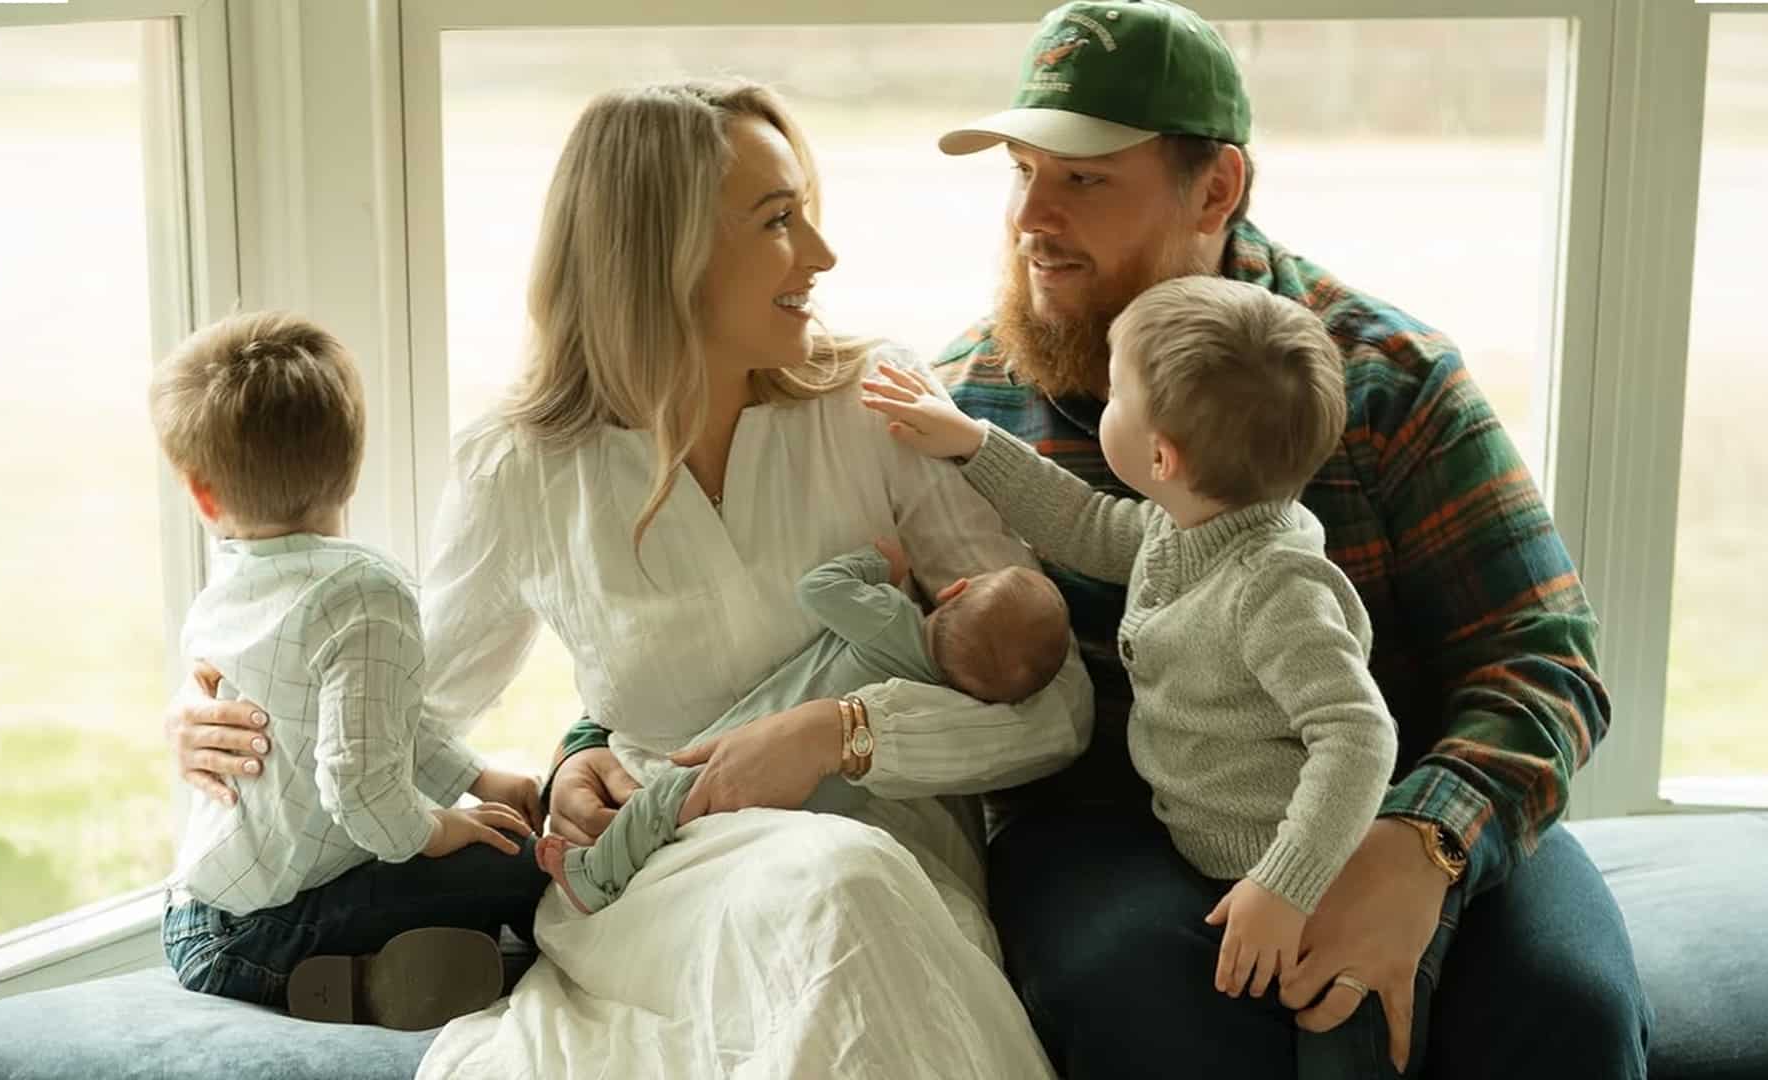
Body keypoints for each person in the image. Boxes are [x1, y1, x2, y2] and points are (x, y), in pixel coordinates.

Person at [166, 79, 1091, 1079]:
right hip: (660, 879)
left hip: (891, 874)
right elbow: (391, 702)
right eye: (780, 223)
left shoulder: (872, 405)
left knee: (844, 875)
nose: (822, 257)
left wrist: (847, 735)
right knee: (832, 887)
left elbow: (1055, 711)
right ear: (664, 253)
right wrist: (223, 712)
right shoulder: (520, 466)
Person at [917, 3, 1652, 1079]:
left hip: (1387, 788)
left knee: (1563, 1019)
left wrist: (1422, 845)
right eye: (1021, 171)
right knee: (1153, 1015)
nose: (1031, 215)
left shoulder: (1389, 380)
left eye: (1082, 178)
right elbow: (788, 596)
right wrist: (605, 741)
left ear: (1216, 188)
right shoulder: (974, 401)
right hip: (1117, 822)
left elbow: (1544, 662)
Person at [869, 275, 1429, 1075]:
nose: (1102, 402)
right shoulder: (1190, 526)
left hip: (1303, 876)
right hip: (1215, 855)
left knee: (1341, 1036)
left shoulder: (1275, 586)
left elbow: (1358, 734)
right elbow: (1085, 524)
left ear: (1162, 456)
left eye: (1115, 394)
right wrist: (969, 441)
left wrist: (1286, 884)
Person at [149, 312, 549, 1029]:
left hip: (196, 916)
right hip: (267, 934)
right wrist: (440, 829)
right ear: (353, 460)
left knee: (479, 834)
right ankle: (352, 981)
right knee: (524, 861)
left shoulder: (231, 587)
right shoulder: (365, 593)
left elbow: (378, 721)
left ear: (204, 496)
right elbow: (362, 789)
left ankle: (413, 956)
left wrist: (475, 780)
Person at [543, 538, 1071, 915]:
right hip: (808, 806)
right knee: (689, 819)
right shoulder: (936, 701)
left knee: (666, 794)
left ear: (953, 592)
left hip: (746, 746)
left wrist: (875, 564)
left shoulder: (891, 618)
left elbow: (817, 589)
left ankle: (596, 877)